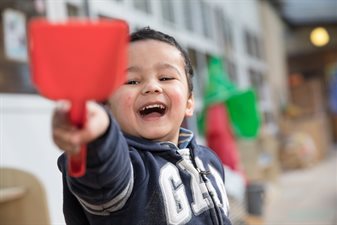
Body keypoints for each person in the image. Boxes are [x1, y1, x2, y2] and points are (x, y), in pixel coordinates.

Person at [52, 27, 232, 225]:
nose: (152, 87)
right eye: (131, 81)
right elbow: (102, 172)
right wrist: (97, 136)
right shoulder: (128, 169)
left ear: (189, 103)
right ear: (108, 107)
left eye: (165, 78)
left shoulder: (209, 160)